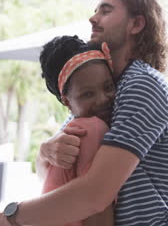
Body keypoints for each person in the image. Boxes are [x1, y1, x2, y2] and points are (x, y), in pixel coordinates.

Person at [0, 0, 168, 226]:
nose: (92, 18)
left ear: (136, 24)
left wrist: (10, 217)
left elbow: (94, 195)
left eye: (105, 11)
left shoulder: (142, 85)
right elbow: (54, 174)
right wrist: (46, 150)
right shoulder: (103, 91)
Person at [39, 35, 115, 226]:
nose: (102, 99)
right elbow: (96, 208)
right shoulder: (92, 127)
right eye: (87, 94)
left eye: (108, 87)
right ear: (67, 101)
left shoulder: (78, 122)